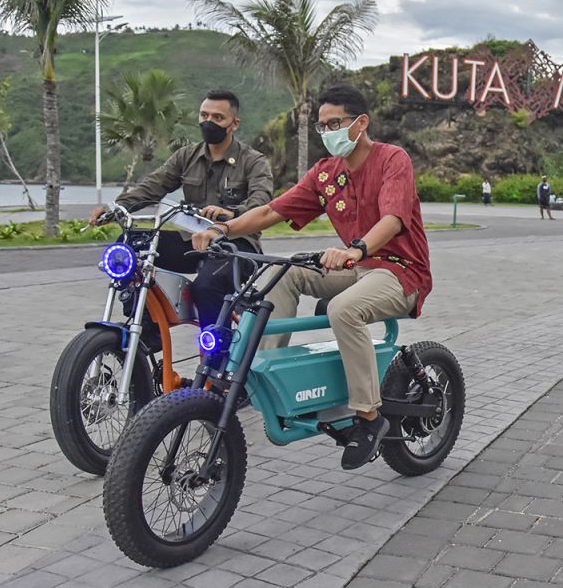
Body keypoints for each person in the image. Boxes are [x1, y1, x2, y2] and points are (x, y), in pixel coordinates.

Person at [191, 85, 432, 471]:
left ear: (360, 123)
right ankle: (262, 377)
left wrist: (356, 249)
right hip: (357, 269)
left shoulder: (392, 160)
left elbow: (393, 219)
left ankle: (369, 418)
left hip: (400, 271)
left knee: (343, 310)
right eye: (322, 126)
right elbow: (272, 211)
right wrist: (224, 231)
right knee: (282, 274)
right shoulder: (326, 174)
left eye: (334, 123)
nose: (328, 132)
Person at [88, 89, 273, 330]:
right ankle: (144, 324)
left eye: (218, 118)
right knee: (127, 245)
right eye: (204, 115)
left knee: (207, 287)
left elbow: (262, 200)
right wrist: (115, 208)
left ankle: (215, 353)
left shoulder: (253, 161)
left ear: (234, 124)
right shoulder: (187, 156)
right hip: (193, 241)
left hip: (237, 245)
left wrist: (232, 213)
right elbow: (153, 186)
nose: (209, 122)